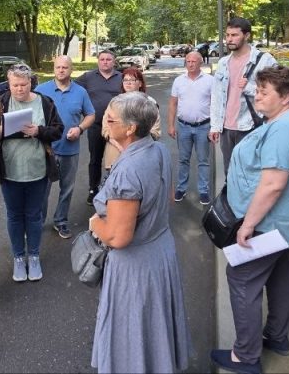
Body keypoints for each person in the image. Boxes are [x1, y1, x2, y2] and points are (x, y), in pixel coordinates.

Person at [210, 66, 289, 374]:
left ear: (285, 97)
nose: (256, 95)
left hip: (268, 223)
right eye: (257, 89)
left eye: (264, 91)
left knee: (241, 278)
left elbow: (273, 184)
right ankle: (277, 336)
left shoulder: (285, 129)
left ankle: (245, 356)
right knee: (279, 276)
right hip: (284, 224)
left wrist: (247, 225)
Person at [88, 92, 191, 373]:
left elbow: (118, 237)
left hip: (135, 266)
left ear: (130, 128)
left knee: (133, 329)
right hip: (160, 252)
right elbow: (168, 199)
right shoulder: (157, 149)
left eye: (111, 119)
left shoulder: (128, 171)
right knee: (155, 326)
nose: (105, 123)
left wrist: (95, 223)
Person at [0, 63, 64, 281]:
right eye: (14, 85)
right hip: (9, 171)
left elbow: (58, 130)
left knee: (33, 215)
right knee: (14, 215)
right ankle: (19, 258)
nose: (19, 89)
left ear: (31, 82)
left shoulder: (45, 103)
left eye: (23, 84)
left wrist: (38, 131)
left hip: (37, 171)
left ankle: (34, 256)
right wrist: (1, 130)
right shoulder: (0, 103)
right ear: (8, 84)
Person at [34, 55, 95, 239]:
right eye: (58, 67)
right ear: (54, 68)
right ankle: (37, 222)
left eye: (65, 67)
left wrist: (79, 128)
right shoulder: (40, 90)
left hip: (70, 149)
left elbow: (90, 115)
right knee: (42, 189)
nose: (61, 70)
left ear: (71, 69)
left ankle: (60, 221)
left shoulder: (80, 92)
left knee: (66, 188)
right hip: (45, 150)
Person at [210, 17, 277, 172]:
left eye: (234, 35)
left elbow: (278, 92)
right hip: (226, 128)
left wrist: (250, 87)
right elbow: (216, 96)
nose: (229, 39)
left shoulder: (264, 60)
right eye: (227, 35)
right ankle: (231, 196)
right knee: (229, 171)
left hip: (250, 126)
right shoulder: (223, 63)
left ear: (247, 36)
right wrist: (215, 126)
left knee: (248, 172)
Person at [74, 49, 122, 205]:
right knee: (95, 159)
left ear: (114, 61)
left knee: (118, 160)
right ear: (98, 61)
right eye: (102, 59)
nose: (105, 62)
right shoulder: (88, 77)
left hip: (117, 127)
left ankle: (116, 189)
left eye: (109, 59)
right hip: (95, 126)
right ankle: (93, 188)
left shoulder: (121, 77)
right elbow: (72, 89)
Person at [168, 51, 215, 205]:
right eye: (188, 61)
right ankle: (181, 188)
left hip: (203, 126)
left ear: (200, 62)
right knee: (183, 160)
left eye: (194, 61)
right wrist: (170, 125)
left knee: (203, 161)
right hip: (184, 127)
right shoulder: (179, 81)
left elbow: (215, 105)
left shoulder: (210, 81)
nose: (190, 64)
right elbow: (173, 103)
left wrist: (214, 127)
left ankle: (203, 191)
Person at [102, 68, 160, 176]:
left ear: (140, 83)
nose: (128, 82)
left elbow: (155, 132)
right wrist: (120, 146)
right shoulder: (114, 102)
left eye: (132, 79)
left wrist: (131, 147)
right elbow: (105, 128)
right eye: (125, 80)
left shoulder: (149, 103)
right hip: (115, 156)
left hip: (140, 156)